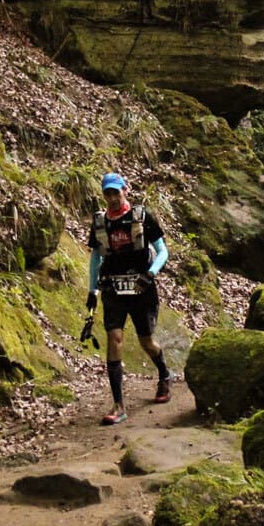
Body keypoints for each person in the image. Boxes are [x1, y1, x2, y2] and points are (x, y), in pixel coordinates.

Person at [85, 172, 172, 424]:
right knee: (115, 337)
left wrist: (150, 274)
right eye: (107, 193)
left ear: (125, 190)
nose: (112, 197)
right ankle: (118, 405)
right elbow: (95, 258)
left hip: (142, 289)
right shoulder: (101, 223)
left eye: (116, 192)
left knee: (147, 342)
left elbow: (163, 251)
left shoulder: (141, 217)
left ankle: (165, 374)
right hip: (113, 288)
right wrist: (92, 291)